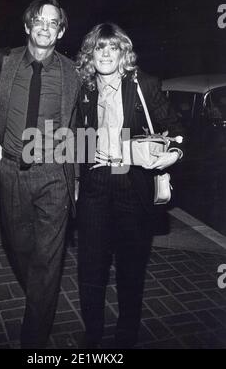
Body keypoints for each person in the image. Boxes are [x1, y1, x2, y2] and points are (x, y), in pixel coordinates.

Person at [75, 23, 183, 348]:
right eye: (99, 48)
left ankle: (127, 336)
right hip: (95, 186)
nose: (105, 54)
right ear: (90, 55)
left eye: (113, 48)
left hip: (132, 187)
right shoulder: (83, 89)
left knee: (131, 269)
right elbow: (71, 136)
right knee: (91, 269)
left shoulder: (144, 86)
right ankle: (92, 336)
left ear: (124, 53)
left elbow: (174, 128)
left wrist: (174, 153)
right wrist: (82, 159)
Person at [0, 0, 79, 348]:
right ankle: (40, 292)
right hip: (11, 170)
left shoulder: (72, 73)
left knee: (49, 258)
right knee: (20, 246)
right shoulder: (5, 62)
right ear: (27, 26)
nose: (44, 27)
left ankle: (34, 337)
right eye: (38, 20)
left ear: (61, 31)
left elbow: (89, 118)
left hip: (54, 173)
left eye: (52, 23)